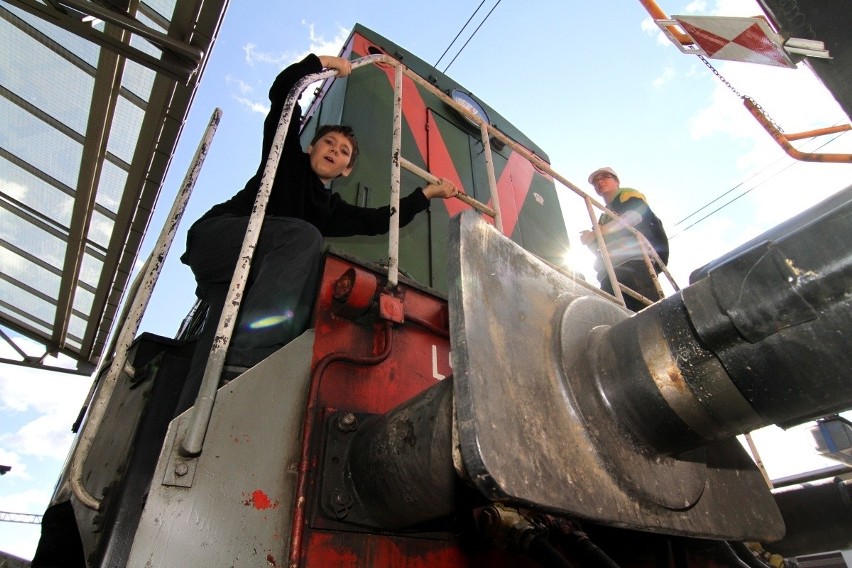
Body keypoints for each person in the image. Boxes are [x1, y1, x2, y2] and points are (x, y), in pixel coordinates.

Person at [176, 53, 457, 410]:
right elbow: (283, 96)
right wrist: (320, 63)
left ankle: (192, 418)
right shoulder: (285, 160)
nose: (334, 151)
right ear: (311, 146)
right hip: (220, 237)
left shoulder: (329, 209)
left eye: (343, 152)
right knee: (305, 238)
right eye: (328, 143)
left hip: (243, 276)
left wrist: (428, 194)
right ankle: (251, 365)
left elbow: (380, 220)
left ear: (345, 170)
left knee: (213, 348)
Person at [579, 167, 668, 312]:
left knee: (649, 312)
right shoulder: (603, 216)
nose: (599, 182)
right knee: (615, 316)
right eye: (596, 181)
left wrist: (597, 233)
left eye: (605, 177)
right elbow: (598, 246)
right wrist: (590, 239)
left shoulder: (626, 194)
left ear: (617, 181)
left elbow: (635, 215)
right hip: (611, 270)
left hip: (637, 262)